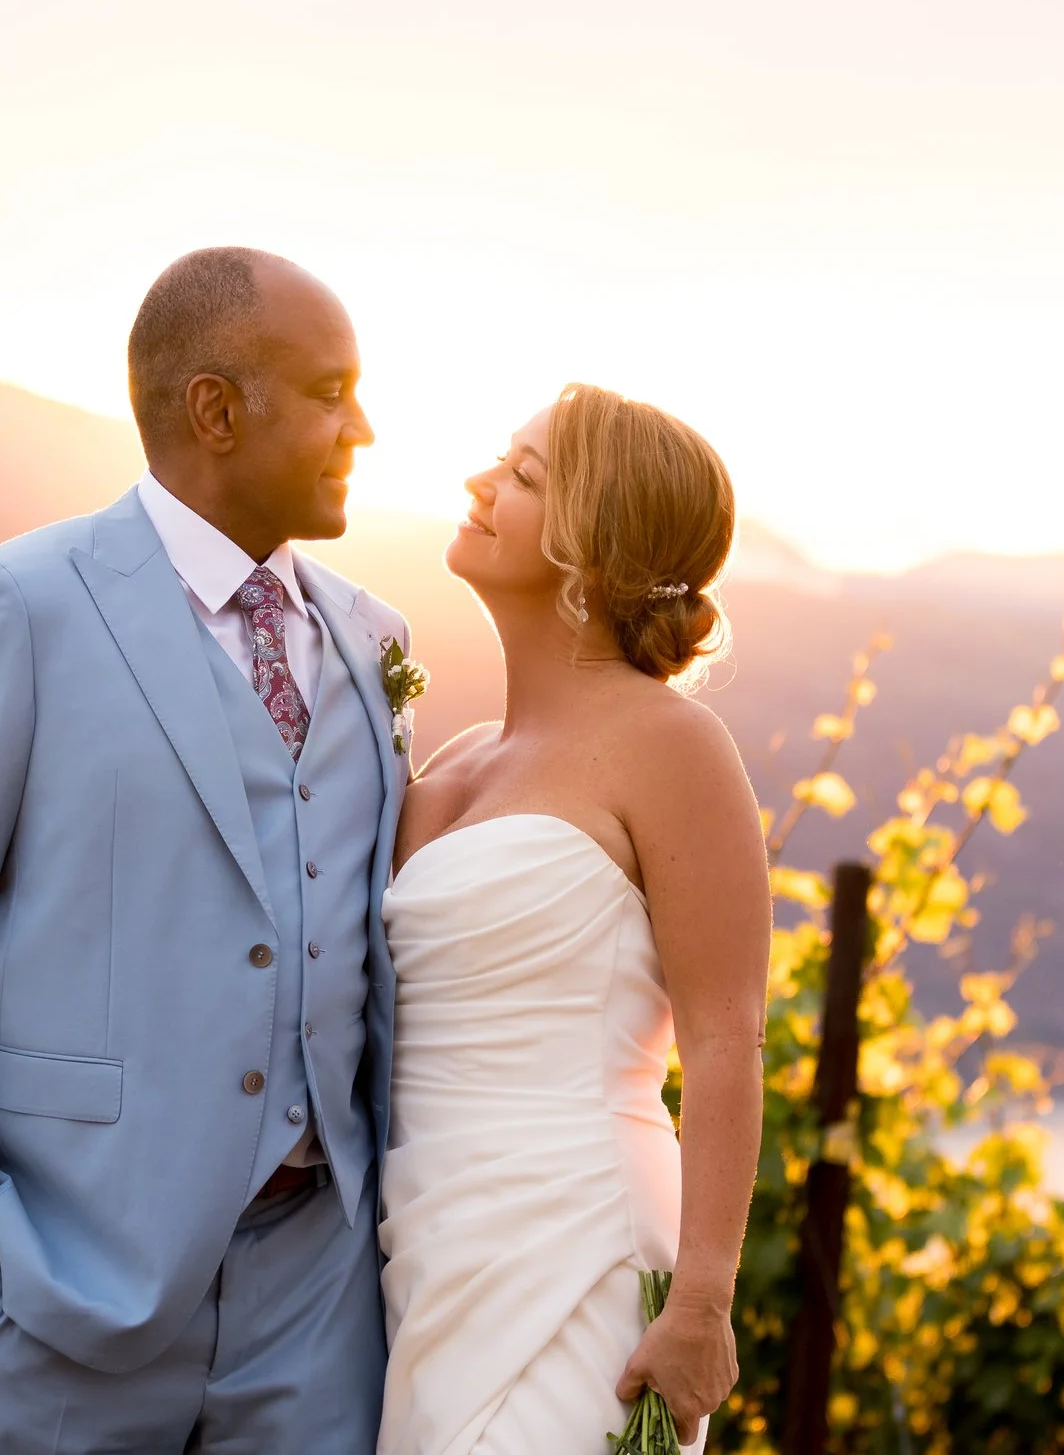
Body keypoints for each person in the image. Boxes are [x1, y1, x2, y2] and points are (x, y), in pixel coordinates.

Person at [0, 247, 410, 1453]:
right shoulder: (15, 606)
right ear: (215, 407)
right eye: (330, 390)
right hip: (66, 1286)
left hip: (318, 1302)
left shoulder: (375, 637)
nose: (362, 423)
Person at [377, 384, 773, 1454]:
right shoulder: (448, 761)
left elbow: (726, 1038)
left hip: (577, 1243)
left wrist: (700, 1299)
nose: (479, 481)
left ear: (592, 543)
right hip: (421, 1245)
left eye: (522, 474)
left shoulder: (674, 745)